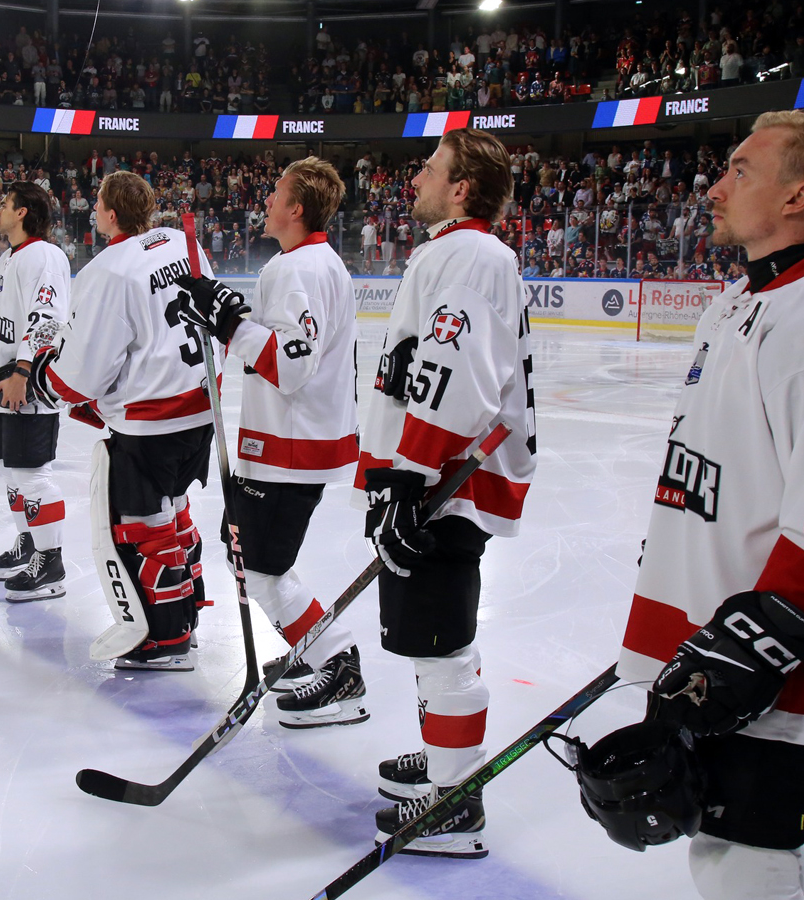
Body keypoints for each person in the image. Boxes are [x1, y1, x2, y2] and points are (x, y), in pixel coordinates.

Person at [605, 110, 804, 900]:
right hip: (707, 646)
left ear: (798, 196)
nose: (715, 187)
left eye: (741, 171)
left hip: (766, 664)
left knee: (749, 850)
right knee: (716, 843)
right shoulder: (736, 305)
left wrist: (750, 641)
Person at [354, 128, 536, 857]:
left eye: (431, 168)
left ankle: (457, 802)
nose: (417, 177)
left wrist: (408, 477)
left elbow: (456, 373)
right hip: (435, 474)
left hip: (446, 480)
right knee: (433, 637)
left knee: (444, 638)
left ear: (462, 188)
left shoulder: (470, 255)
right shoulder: (456, 251)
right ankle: (443, 766)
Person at [172, 157, 366, 727]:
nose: (267, 202)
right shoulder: (313, 262)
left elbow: (289, 364)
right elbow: (285, 340)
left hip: (287, 447)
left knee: (258, 568)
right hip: (299, 443)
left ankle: (339, 665)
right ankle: (321, 652)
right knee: (262, 562)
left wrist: (227, 323)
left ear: (297, 208)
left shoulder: (297, 269)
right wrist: (228, 311)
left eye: (277, 194)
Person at [27, 170, 215, 671]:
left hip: (150, 424)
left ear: (110, 214)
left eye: (98, 205)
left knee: (140, 529)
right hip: (199, 412)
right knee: (174, 514)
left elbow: (82, 371)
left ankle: (164, 638)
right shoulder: (181, 242)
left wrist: (45, 370)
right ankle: (187, 615)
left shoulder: (108, 270)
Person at [0, 183, 72, 600]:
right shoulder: (8, 256)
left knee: (33, 474)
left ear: (21, 212)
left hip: (26, 382)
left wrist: (23, 369)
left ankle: (50, 560)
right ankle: (29, 541)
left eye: (4, 204)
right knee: (13, 472)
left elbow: (48, 317)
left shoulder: (45, 256)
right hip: (3, 382)